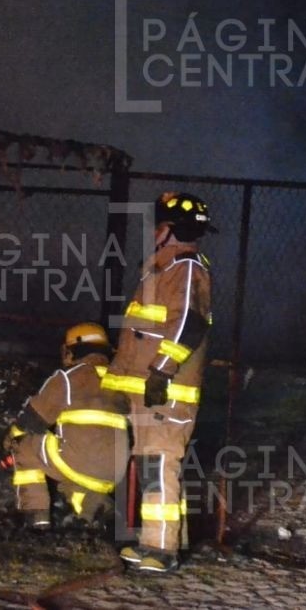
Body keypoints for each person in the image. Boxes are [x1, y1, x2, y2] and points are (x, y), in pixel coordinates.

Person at [104, 192, 214, 572]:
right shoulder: (164, 271)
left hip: (165, 391)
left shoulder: (184, 269)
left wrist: (162, 371)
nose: (153, 234)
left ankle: (160, 550)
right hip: (152, 391)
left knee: (159, 464)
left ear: (168, 231)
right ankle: (163, 540)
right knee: (154, 463)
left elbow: (188, 324)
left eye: (158, 228)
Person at [6, 323, 128, 530]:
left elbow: (32, 420)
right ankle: (95, 509)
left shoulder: (68, 378)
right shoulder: (120, 380)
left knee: (24, 446)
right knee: (72, 471)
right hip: (116, 468)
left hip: (80, 459)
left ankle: (36, 520)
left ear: (72, 350)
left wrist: (10, 438)